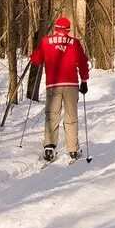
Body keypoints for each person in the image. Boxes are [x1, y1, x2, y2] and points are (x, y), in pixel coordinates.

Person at [29, 17, 90, 162]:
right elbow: (82, 62)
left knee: (52, 114)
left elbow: (36, 60)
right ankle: (73, 150)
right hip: (71, 85)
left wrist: (35, 52)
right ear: (68, 30)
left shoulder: (45, 41)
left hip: (53, 84)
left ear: (56, 28)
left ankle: (49, 147)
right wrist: (84, 80)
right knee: (71, 116)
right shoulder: (74, 43)